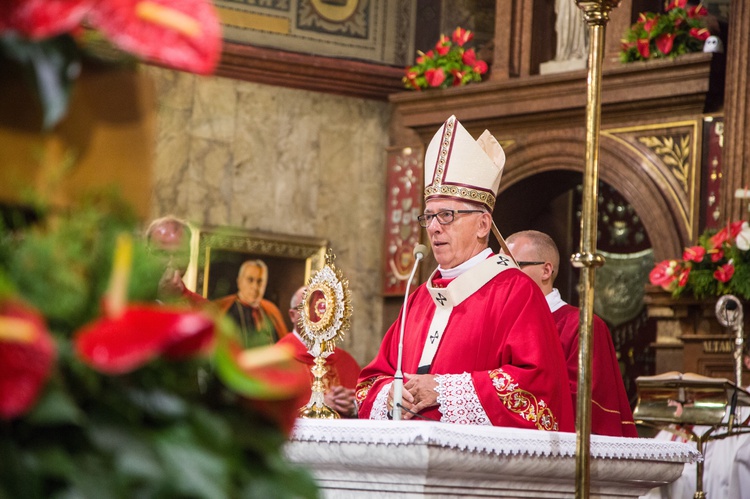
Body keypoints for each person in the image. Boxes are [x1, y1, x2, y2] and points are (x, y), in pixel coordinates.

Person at [356, 115, 574, 431]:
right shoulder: (418, 299)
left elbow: (538, 387)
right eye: (428, 216)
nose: (433, 227)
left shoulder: (516, 292)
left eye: (446, 215)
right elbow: (370, 381)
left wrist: (443, 391)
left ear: (483, 224)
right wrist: (391, 393)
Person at [505, 230, 638, 437]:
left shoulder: (582, 326)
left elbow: (584, 404)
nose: (504, 277)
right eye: (500, 268)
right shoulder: (502, 325)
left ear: (546, 271)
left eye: (513, 266)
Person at [276, 286, 361, 417]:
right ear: (292, 315)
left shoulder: (345, 361)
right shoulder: (278, 358)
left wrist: (353, 405)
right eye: (307, 307)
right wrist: (316, 406)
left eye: (321, 307)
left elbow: (366, 399)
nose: (315, 314)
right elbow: (273, 408)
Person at [214, 259, 288, 347]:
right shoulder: (223, 309)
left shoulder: (271, 310)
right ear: (239, 282)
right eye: (250, 280)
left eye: (260, 281)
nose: (255, 287)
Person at [145, 215, 207, 306]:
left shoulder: (203, 308)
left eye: (179, 254)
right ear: (146, 254)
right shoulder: (125, 297)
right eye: (163, 253)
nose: (171, 263)